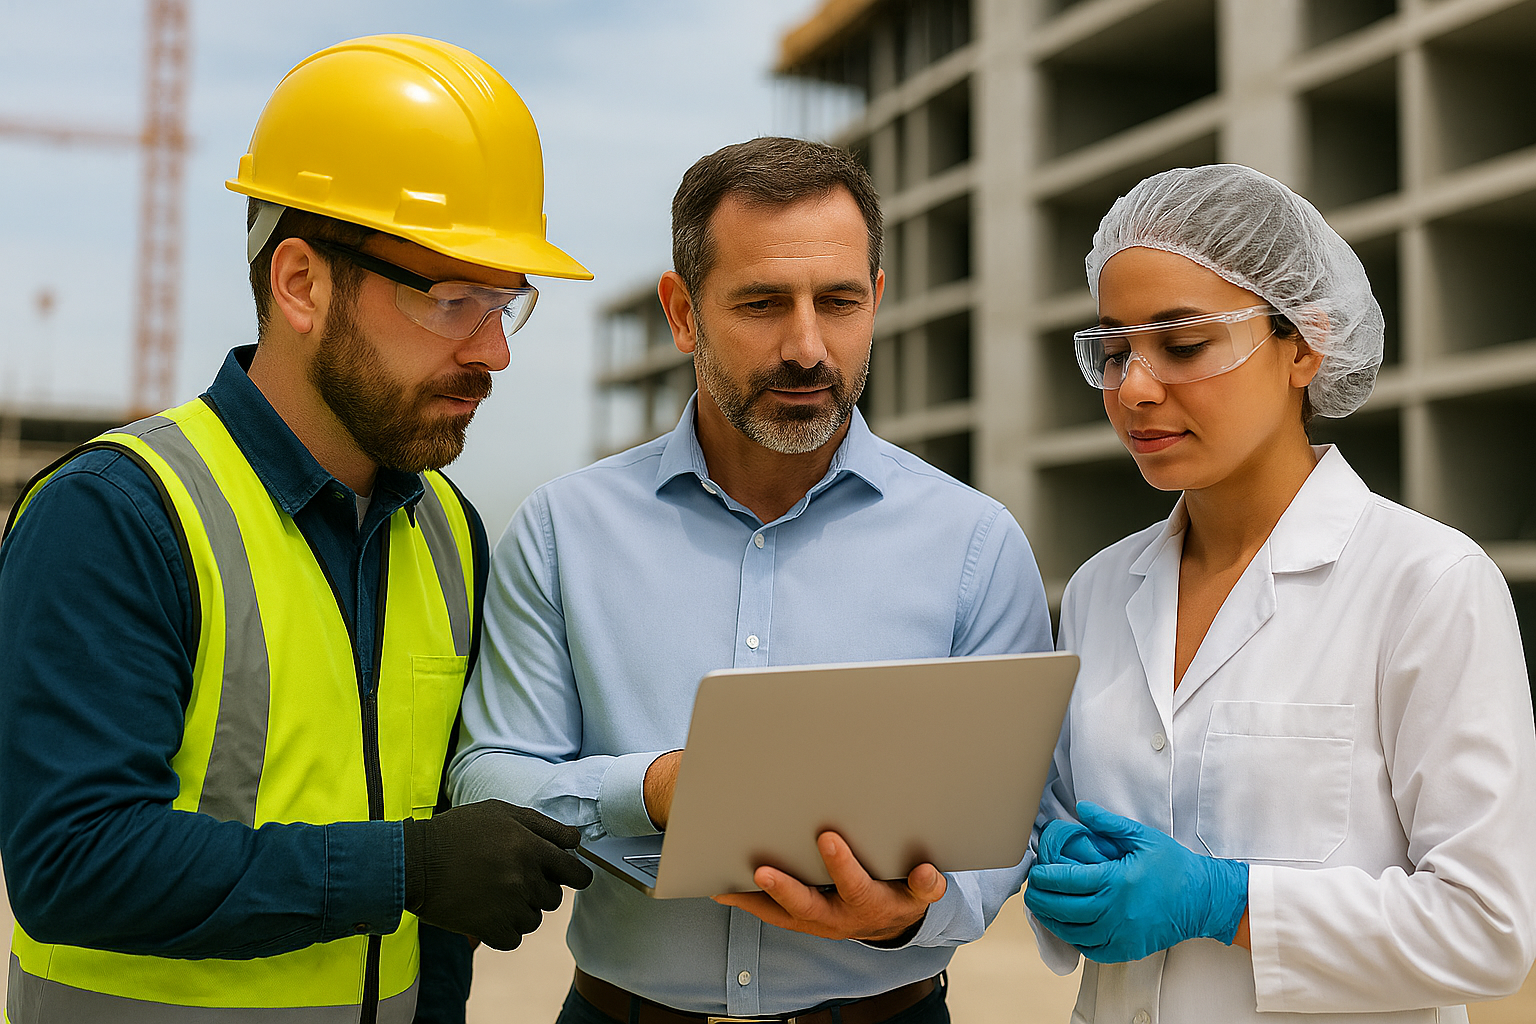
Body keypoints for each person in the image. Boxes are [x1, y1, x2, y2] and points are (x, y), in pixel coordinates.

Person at [0, 35, 595, 1023]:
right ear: (301, 284)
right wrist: (403, 868)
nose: (493, 350)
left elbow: (442, 903)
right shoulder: (118, 515)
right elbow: (75, 859)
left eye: (505, 302)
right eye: (452, 298)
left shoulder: (447, 530)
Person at [449, 136, 1054, 1024]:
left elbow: (1014, 823)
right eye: (764, 303)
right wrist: (655, 790)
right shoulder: (562, 529)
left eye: (839, 302)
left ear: (876, 302)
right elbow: (489, 779)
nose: (808, 347)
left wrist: (909, 916)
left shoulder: (976, 543)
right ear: (683, 313)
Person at [1022, 163, 1536, 1022]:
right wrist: (1059, 861)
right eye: (1113, 352)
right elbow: (1079, 831)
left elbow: (1488, 928)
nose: (1136, 390)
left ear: (1305, 344)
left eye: (1183, 344)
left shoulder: (1427, 585)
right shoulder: (1102, 588)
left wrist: (1231, 904)